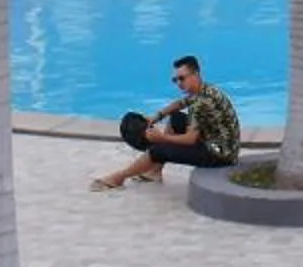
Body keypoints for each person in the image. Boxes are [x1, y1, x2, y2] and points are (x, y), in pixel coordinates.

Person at [90, 54, 240, 190]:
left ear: (195, 74)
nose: (179, 83)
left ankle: (118, 178)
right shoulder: (205, 89)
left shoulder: (201, 103)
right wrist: (157, 116)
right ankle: (154, 172)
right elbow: (180, 103)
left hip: (220, 156)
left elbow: (190, 139)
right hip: (222, 145)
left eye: (182, 78)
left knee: (159, 149)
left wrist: (162, 139)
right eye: (176, 80)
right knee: (175, 118)